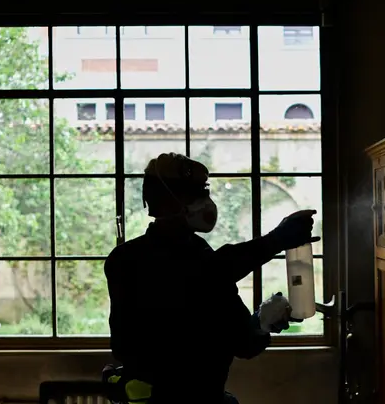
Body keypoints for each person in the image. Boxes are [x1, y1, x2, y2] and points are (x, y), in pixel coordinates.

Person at [104, 152, 319, 403]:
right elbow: (203, 275)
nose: (206, 201)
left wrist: (262, 322)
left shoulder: (133, 258)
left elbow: (241, 340)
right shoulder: (135, 261)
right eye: (197, 193)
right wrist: (276, 240)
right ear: (169, 201)